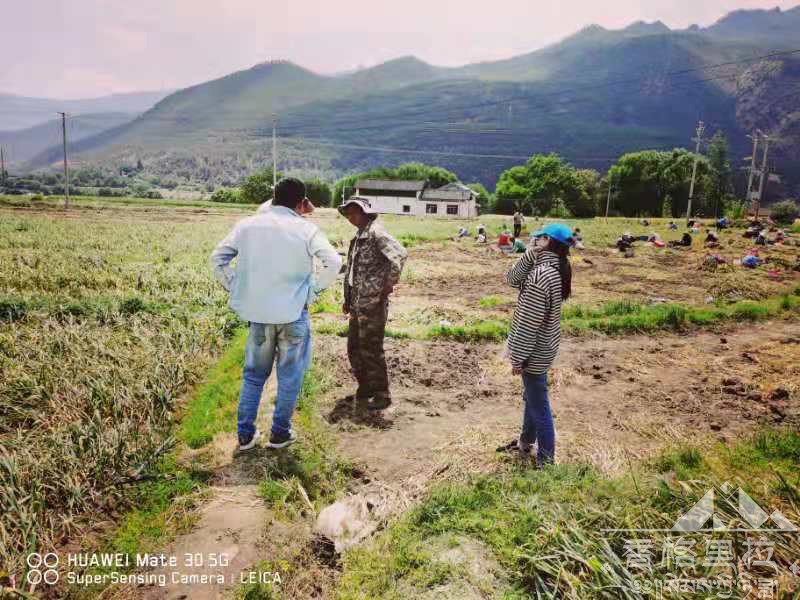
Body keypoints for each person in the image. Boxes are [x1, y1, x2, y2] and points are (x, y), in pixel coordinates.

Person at [211, 178, 341, 451]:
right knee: (290, 377)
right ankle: (280, 434)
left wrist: (237, 286)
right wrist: (312, 291)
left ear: (273, 197)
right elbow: (333, 261)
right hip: (293, 314)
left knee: (253, 376)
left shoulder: (247, 225)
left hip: (258, 315)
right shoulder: (306, 229)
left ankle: (245, 436)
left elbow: (218, 259)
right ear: (301, 202)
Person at [497, 223, 573, 465]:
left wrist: (518, 358)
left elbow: (528, 323)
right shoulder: (555, 268)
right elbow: (512, 279)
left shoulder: (540, 276)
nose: (534, 239)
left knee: (540, 406)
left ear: (548, 241)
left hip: (534, 349)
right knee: (532, 398)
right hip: (545, 346)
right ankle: (525, 443)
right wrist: (529, 254)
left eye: (539, 237)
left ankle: (546, 461)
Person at [340, 196, 408, 410]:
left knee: (371, 347)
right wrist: (347, 298)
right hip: (357, 302)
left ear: (365, 213)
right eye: (348, 213)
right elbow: (353, 272)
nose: (351, 217)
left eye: (355, 212)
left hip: (373, 303)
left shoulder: (376, 233)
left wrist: (387, 286)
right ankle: (366, 387)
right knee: (354, 347)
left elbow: (399, 256)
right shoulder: (357, 237)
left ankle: (381, 394)